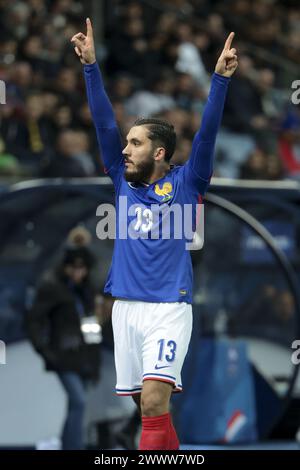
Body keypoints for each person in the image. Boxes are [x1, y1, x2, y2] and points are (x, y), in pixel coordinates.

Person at [71, 18, 238, 450]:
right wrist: (90, 66)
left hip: (168, 308)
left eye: (136, 143)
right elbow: (104, 125)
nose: (124, 150)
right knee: (147, 409)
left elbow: (207, 134)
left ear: (159, 152)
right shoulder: (121, 181)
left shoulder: (187, 182)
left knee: (153, 401)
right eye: (126, 143)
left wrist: (219, 79)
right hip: (125, 310)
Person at [25, 243, 101, 450]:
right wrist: (44, 349)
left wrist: (95, 361)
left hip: (84, 356)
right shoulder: (52, 288)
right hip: (62, 355)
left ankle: (69, 446)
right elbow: (33, 320)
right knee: (79, 402)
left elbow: (91, 325)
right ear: (65, 267)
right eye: (74, 268)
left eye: (82, 268)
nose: (78, 272)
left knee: (76, 405)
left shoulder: (87, 292)